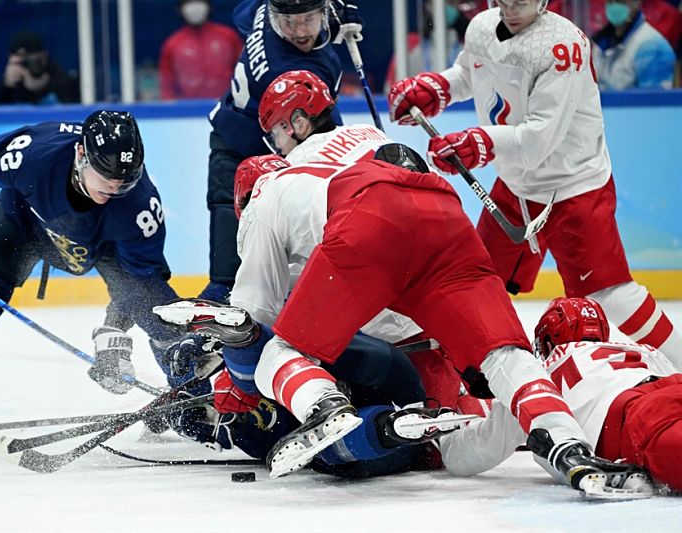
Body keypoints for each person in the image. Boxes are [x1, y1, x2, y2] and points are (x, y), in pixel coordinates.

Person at [152, 72, 650, 497]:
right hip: (441, 217)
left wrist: (237, 376)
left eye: (276, 132)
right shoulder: (368, 138)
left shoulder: (275, 188)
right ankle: (567, 446)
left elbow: (255, 311)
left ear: (297, 124)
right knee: (504, 359)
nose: (276, 145)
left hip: (373, 247)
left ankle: (326, 406)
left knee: (280, 357)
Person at [0, 111, 201, 456]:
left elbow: (140, 283)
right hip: (21, 226)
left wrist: (114, 331)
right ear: (81, 155)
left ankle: (190, 401)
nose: (113, 190)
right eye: (105, 178)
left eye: (124, 182)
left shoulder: (139, 210)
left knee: (162, 317)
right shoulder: (34, 153)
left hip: (103, 247)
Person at [387, 0, 682, 365]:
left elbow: (541, 138)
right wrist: (439, 89)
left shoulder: (563, 46)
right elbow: (470, 73)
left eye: (521, 1)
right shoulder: (481, 26)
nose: (511, 8)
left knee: (609, 294)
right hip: (516, 186)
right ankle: (487, 373)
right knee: (478, 280)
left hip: (572, 187)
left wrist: (481, 142)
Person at [200, 0, 361, 303]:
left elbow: (241, 13)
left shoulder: (264, 11)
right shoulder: (291, 73)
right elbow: (319, 137)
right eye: (290, 22)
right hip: (246, 160)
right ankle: (199, 343)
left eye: (308, 20)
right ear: (275, 19)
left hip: (242, 140)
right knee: (230, 279)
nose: (300, 31)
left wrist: (334, 21)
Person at [438, 297, 679, 495]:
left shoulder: (535, 373)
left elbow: (478, 449)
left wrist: (443, 440)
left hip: (639, 417)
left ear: (545, 340)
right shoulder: (640, 350)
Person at [158, 0, 244, 100]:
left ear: (209, 6)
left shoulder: (228, 36)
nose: (195, 8)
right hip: (188, 108)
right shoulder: (173, 44)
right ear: (180, 9)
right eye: (189, 3)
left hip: (227, 105)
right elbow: (166, 85)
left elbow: (243, 70)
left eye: (199, 2)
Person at [592, 0, 676, 90]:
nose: (615, 5)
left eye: (620, 2)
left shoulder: (653, 46)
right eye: (611, 1)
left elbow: (655, 101)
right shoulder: (600, 43)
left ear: (637, 2)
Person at [0, 30, 80, 105]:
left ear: (44, 56)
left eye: (30, 61)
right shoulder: (12, 85)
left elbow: (70, 114)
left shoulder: (62, 80)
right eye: (20, 62)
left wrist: (40, 90)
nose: (25, 67)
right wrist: (6, 86)